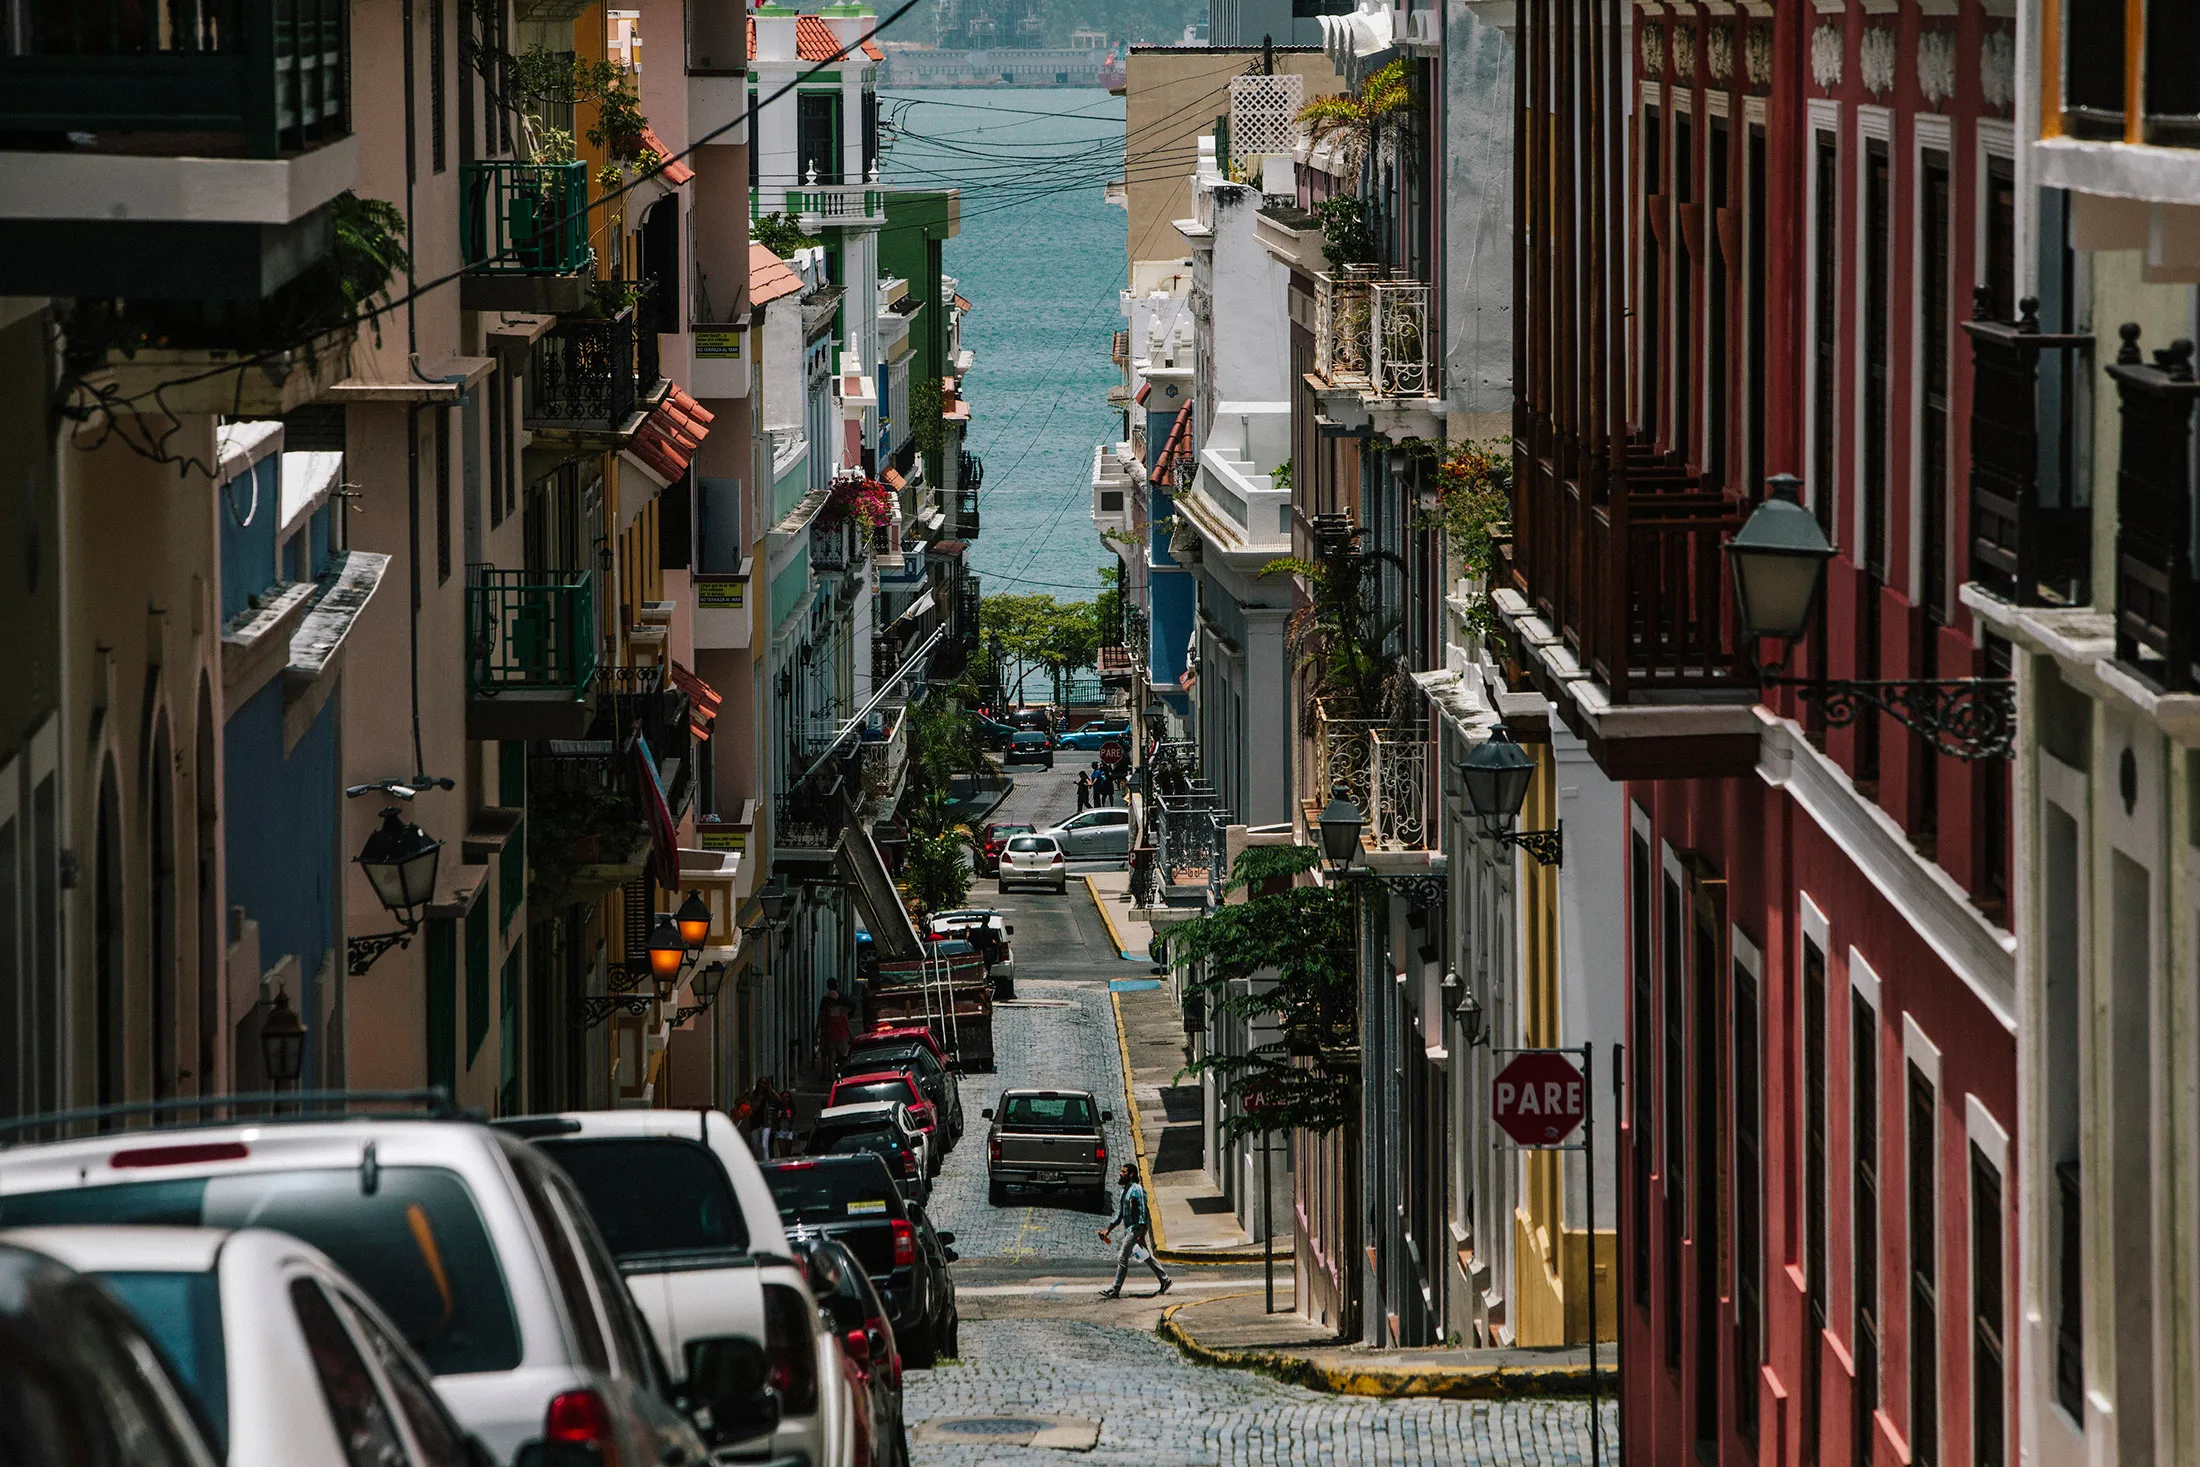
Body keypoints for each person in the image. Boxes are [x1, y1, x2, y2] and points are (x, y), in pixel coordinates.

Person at [1096, 1163, 1171, 1298]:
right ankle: (1165, 1280)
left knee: (1122, 1257)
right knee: (1146, 1256)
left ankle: (1115, 1289)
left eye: (1123, 1171)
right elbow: (1120, 1214)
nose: (1120, 1173)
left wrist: (1141, 1234)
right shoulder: (1124, 1191)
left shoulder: (1138, 1190)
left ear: (1131, 1174)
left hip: (1136, 1229)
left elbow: (1142, 1212)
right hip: (1130, 1229)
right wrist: (1108, 1230)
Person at [817, 981, 853, 1074]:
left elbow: (820, 1021)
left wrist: (817, 1033)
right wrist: (851, 1036)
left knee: (830, 1058)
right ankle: (841, 1074)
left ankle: (829, 1075)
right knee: (842, 1057)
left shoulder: (825, 1008)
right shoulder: (842, 1010)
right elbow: (847, 1024)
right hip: (842, 1036)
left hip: (830, 1036)